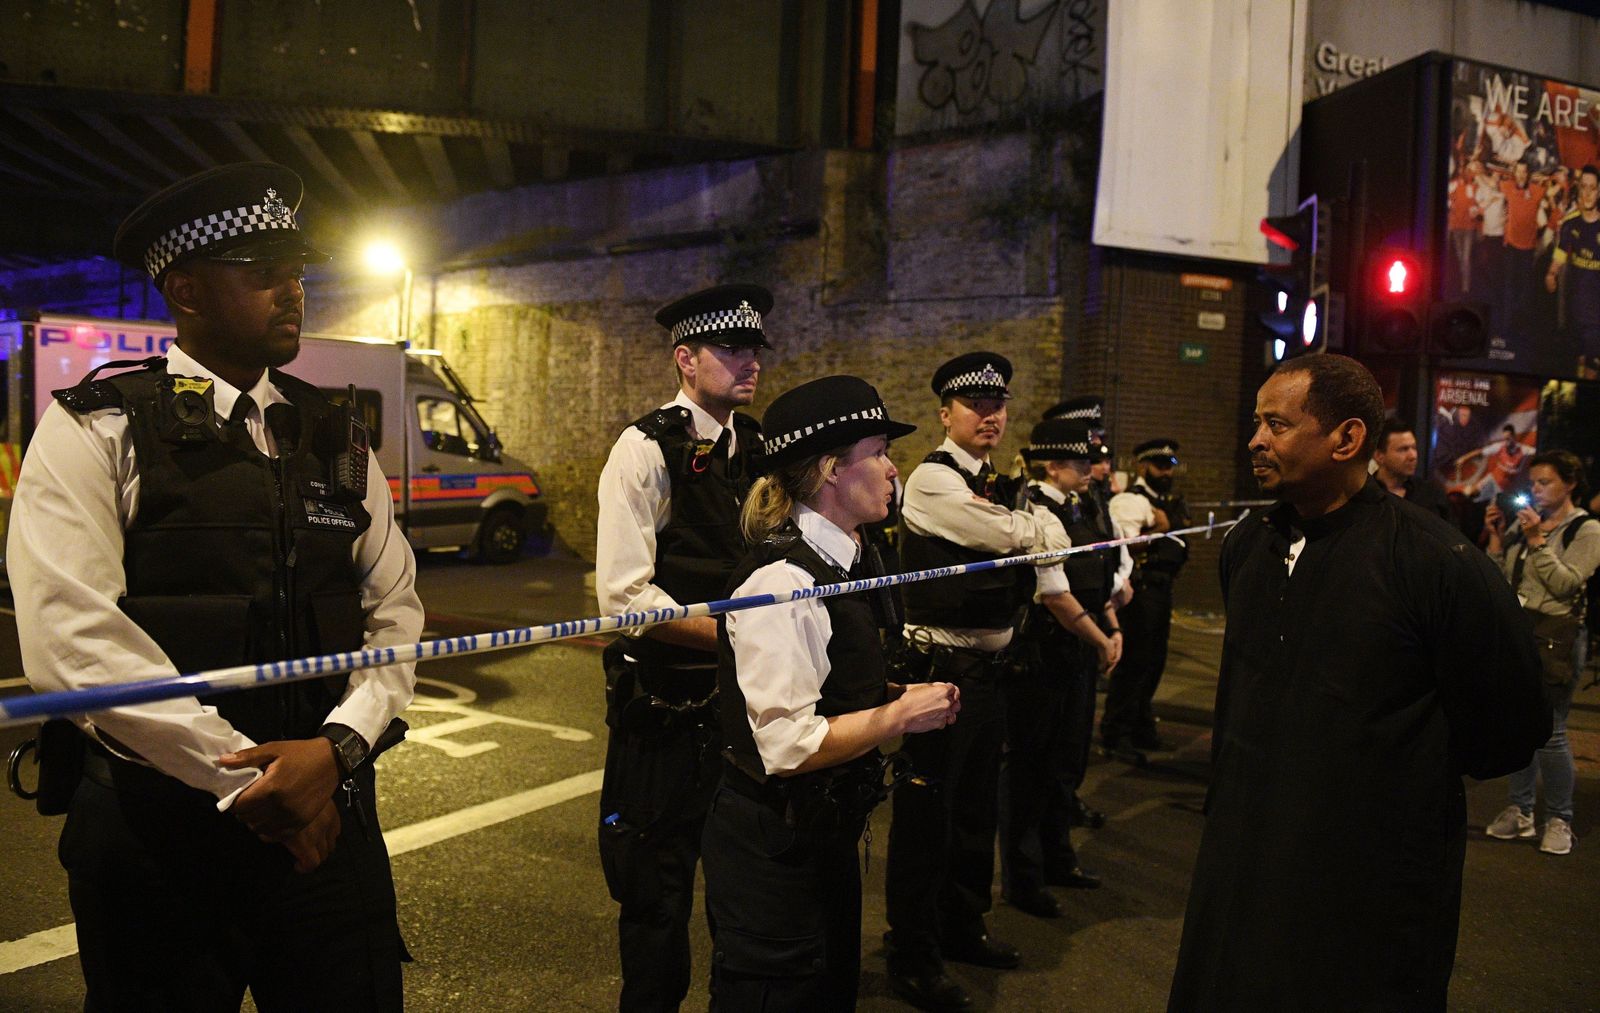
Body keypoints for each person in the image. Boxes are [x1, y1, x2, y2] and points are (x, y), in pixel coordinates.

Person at [9, 162, 424, 1010]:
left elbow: (397, 613)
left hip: (328, 821)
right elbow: (72, 645)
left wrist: (337, 750)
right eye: (261, 270)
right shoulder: (98, 427)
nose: (292, 287)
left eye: (297, 268)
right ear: (187, 290)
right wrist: (250, 783)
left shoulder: (335, 432)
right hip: (159, 838)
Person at [1168, 354, 1548, 1011]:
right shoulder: (1246, 548)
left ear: (1346, 438)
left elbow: (1508, 725)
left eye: (1277, 424)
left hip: (1370, 888)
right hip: (1245, 867)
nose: (1255, 439)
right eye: (1256, 422)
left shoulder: (1436, 562)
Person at [701, 374, 960, 1011]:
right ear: (829, 470)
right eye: (877, 451)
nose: (893, 468)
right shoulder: (785, 579)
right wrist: (897, 714)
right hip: (774, 848)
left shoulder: (850, 559)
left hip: (823, 832)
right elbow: (786, 746)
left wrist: (887, 693)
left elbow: (829, 682)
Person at [594, 282, 771, 1011]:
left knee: (744, 894)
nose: (750, 361)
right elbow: (627, 599)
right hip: (665, 712)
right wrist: (741, 636)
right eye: (731, 348)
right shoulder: (644, 449)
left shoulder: (758, 448)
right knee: (657, 898)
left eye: (755, 348)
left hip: (741, 708)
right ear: (685, 359)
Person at [884, 351, 1070, 1012]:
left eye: (998, 407)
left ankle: (961, 928)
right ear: (945, 413)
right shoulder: (934, 481)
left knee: (972, 815)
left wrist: (1030, 531)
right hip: (942, 667)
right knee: (928, 819)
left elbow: (1026, 536)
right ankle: (913, 953)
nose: (990, 417)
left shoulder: (990, 479)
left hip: (986, 672)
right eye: (975, 406)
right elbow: (1017, 537)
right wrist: (1035, 529)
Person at [998, 416, 1125, 920]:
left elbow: (1098, 573)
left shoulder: (1077, 505)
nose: (1090, 469)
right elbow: (1054, 595)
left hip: (1076, 648)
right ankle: (1023, 878)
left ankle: (1058, 856)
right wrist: (1100, 637)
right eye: (1079, 462)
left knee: (1064, 763)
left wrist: (1110, 623)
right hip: (1044, 651)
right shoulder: (1035, 510)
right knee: (1029, 768)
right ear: (1053, 466)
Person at [1483, 450, 1600, 856]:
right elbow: (1499, 578)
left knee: (1551, 731)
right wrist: (1499, 538)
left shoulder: (1586, 529)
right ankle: (1520, 809)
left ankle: (1560, 818)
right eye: (1532, 483)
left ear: (1570, 484)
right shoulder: (1525, 521)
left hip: (1558, 636)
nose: (1535, 490)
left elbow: (1567, 584)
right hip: (1521, 630)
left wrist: (1537, 541)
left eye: (1545, 482)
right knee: (1518, 724)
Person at [1102, 438, 1190, 755]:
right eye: (1160, 466)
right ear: (1143, 466)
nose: (1166, 473)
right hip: (1142, 590)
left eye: (1169, 467)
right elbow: (1126, 543)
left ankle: (1140, 723)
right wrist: (1159, 530)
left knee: (1154, 662)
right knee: (1135, 662)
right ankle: (1118, 729)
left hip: (1163, 588)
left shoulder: (1168, 500)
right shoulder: (1132, 499)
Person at [1546, 165, 1600, 378]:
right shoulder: (1570, 223)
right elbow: (1560, 253)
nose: (1587, 193)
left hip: (1597, 316)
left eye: (1592, 188)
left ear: (1599, 191)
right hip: (1575, 310)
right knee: (1577, 362)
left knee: (1591, 369)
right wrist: (1551, 274)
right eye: (1584, 187)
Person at [1372, 418, 1452, 519]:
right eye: (1403, 449)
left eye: (1414, 448)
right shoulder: (1365, 496)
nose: (1413, 456)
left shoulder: (1431, 494)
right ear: (1379, 456)